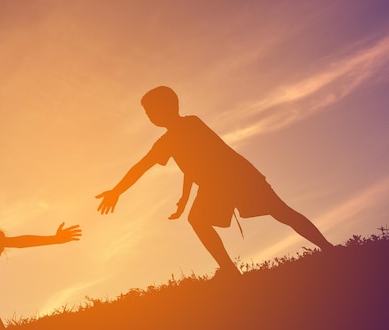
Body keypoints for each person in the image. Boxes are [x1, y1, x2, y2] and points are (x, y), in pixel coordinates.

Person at [96, 86, 333, 279]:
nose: (148, 115)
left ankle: (329, 250)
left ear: (167, 107)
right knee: (202, 219)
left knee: (281, 212)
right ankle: (230, 270)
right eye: (146, 112)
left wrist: (117, 191)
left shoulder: (189, 125)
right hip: (222, 183)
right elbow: (187, 167)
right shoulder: (170, 139)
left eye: (150, 110)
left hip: (236, 178)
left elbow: (145, 166)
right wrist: (184, 199)